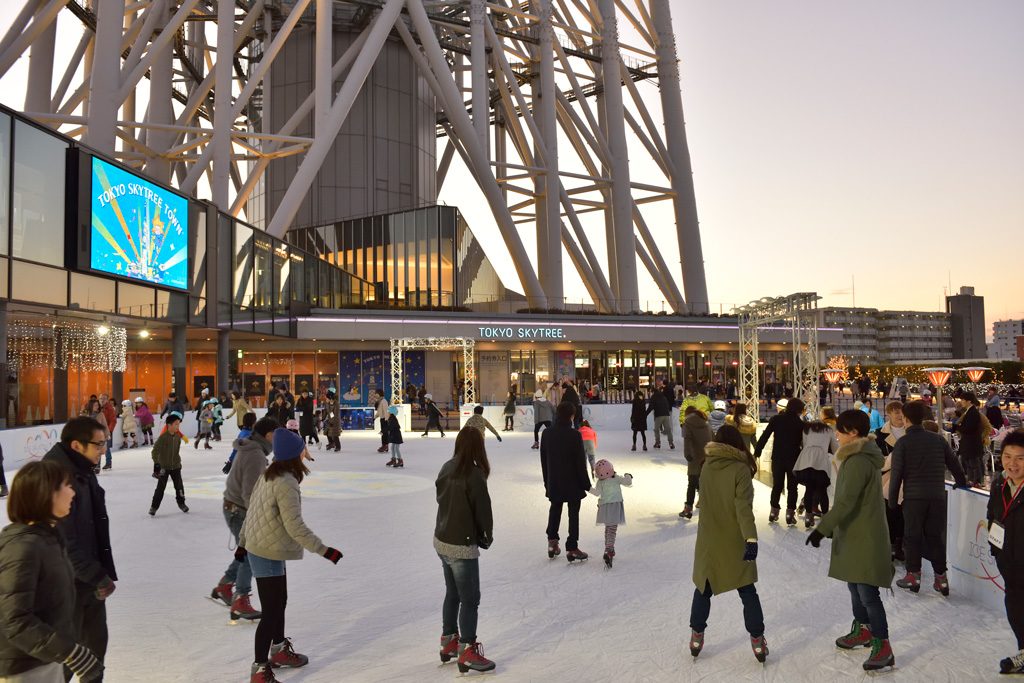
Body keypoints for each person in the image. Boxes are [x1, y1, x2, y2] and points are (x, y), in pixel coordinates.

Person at [238, 429, 342, 683]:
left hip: (262, 546)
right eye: (302, 450)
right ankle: (260, 670)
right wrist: (324, 550)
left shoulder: (269, 475)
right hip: (266, 551)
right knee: (272, 611)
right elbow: (294, 526)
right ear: (294, 455)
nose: (305, 454)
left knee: (279, 602)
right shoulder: (285, 482)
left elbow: (252, 510)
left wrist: (242, 542)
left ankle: (278, 650)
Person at [805, 409, 894, 672]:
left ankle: (883, 644)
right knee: (855, 587)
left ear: (853, 433)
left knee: (867, 592)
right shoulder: (857, 458)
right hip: (855, 533)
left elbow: (845, 502)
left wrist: (823, 529)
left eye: (840, 430)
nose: (837, 434)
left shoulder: (857, 461)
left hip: (864, 535)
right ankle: (864, 630)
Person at [0, 460, 104, 683]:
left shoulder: (47, 537)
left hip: (44, 660)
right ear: (46, 494)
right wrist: (70, 652)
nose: (72, 492)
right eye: (66, 486)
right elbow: (15, 620)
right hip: (24, 669)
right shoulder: (23, 547)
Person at [42, 416, 117, 682]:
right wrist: (97, 575)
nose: (103, 450)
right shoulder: (56, 479)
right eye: (98, 444)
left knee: (94, 653)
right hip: (66, 585)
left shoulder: (81, 469)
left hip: (86, 580)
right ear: (76, 445)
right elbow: (63, 542)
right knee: (66, 657)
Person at [688, 425, 767, 663]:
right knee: (747, 588)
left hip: (709, 539)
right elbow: (743, 508)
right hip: (734, 538)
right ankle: (757, 641)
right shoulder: (740, 468)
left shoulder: (707, 466)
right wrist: (750, 538)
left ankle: (696, 636)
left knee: (704, 587)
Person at [889, 400, 967, 596]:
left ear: (906, 419)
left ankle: (913, 576)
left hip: (914, 498)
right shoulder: (938, 439)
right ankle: (941, 579)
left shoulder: (903, 443)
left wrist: (891, 501)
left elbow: (896, 475)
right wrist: (962, 482)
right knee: (935, 537)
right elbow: (954, 464)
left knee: (912, 536)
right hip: (937, 496)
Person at [434, 427, 495, 674]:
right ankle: (467, 650)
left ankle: (449, 641)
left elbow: (442, 500)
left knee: (453, 592)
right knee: (470, 598)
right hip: (461, 544)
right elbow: (484, 511)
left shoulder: (447, 467)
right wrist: (486, 536)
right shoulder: (474, 474)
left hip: (442, 539)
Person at [212, 416, 277, 623]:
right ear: (268, 435)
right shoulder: (255, 454)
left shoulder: (251, 449)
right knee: (252, 553)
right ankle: (240, 599)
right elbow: (250, 492)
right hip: (238, 510)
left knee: (246, 551)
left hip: (233, 507)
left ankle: (225, 585)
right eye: (276, 435)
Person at [988, 430, 1024, 674]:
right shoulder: (1000, 482)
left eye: (1020, 458)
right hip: (1010, 563)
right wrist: (996, 549)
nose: (1013, 463)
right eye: (1008, 456)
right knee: (1016, 611)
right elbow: (992, 515)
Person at [540, 402, 591, 562]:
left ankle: (552, 542)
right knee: (573, 514)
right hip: (573, 483)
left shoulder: (547, 433)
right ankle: (572, 547)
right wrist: (586, 484)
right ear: (572, 416)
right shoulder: (574, 435)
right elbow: (580, 463)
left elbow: (544, 460)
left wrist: (547, 482)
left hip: (554, 480)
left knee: (555, 509)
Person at [754, 397, 806, 525]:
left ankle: (773, 512)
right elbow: (804, 443)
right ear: (799, 410)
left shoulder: (776, 419)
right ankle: (790, 514)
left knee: (777, 485)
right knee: (792, 487)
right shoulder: (800, 424)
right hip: (794, 458)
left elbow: (765, 435)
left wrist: (757, 451)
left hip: (777, 457)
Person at [793, 415, 838, 529]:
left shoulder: (807, 429)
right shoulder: (828, 430)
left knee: (809, 488)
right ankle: (826, 518)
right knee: (822, 490)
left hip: (806, 459)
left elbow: (803, 444)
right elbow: (834, 447)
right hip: (821, 460)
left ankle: (808, 517)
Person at [588, 459, 632, 568]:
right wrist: (628, 475)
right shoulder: (616, 478)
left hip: (604, 507)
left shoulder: (600, 482)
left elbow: (597, 493)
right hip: (615, 507)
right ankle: (609, 550)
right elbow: (628, 482)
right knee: (612, 530)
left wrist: (587, 487)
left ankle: (608, 548)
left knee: (608, 529)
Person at [149, 413, 189, 516]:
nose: (178, 427)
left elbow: (176, 452)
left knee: (179, 486)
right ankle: (154, 506)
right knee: (160, 488)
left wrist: (178, 463)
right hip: (164, 467)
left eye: (178, 424)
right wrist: (157, 463)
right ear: (169, 425)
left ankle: (182, 503)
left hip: (175, 467)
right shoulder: (163, 438)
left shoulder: (177, 438)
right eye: (176, 424)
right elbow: (154, 451)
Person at [680, 406, 713, 520]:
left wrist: (687, 455)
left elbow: (687, 440)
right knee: (703, 481)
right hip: (707, 457)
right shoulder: (706, 422)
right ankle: (707, 504)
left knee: (692, 483)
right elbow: (713, 438)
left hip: (695, 457)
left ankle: (688, 509)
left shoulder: (687, 424)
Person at [955, 392, 986, 486]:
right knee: (969, 462)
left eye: (963, 400)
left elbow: (970, 427)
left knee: (973, 463)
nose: (961, 402)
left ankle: (976, 481)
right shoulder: (969, 411)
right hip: (969, 442)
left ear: (969, 401)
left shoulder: (973, 413)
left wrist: (958, 427)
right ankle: (972, 480)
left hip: (972, 443)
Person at [646, 385, 674, 450]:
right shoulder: (663, 396)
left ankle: (657, 443)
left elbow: (650, 407)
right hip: (666, 415)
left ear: (652, 392)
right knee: (668, 429)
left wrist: (645, 414)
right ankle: (671, 443)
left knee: (656, 430)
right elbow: (667, 404)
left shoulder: (654, 397)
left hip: (659, 415)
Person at [98, 395, 116, 471]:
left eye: (104, 399)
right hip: (98, 431)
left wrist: (109, 431)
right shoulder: (98, 408)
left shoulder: (110, 408)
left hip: (106, 431)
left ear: (107, 400)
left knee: (106, 447)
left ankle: (108, 462)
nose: (102, 400)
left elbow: (113, 420)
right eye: (101, 398)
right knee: (98, 448)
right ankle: (97, 464)